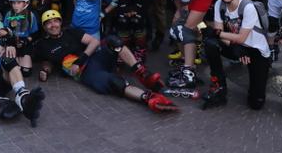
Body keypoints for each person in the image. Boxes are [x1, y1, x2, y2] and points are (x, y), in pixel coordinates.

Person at [34, 10, 176, 113]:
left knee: (113, 41)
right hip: (86, 73)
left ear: (60, 22)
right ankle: (147, 97)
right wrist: (45, 71)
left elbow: (94, 42)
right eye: (48, 23)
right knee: (115, 82)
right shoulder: (44, 44)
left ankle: (141, 72)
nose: (53, 25)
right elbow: (48, 61)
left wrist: (80, 60)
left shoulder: (71, 32)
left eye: (55, 21)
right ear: (44, 27)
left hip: (94, 58)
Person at [200, 0, 270, 110]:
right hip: (236, 46)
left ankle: (259, 78)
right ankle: (219, 86)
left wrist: (218, 33)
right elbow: (220, 35)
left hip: (255, 50)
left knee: (256, 103)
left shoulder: (248, 7)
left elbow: (240, 37)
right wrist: (234, 47)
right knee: (210, 43)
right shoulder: (219, 4)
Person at [2, 0, 38, 77]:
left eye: (19, 3)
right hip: (12, 42)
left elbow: (35, 33)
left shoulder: (31, 15)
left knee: (26, 72)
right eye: (13, 3)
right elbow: (5, 31)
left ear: (25, 3)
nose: (15, 6)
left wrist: (26, 41)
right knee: (10, 68)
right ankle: (15, 60)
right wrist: (9, 41)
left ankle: (19, 60)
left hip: (25, 42)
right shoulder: (9, 14)